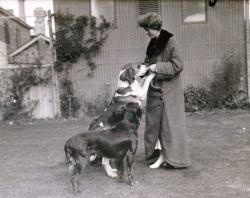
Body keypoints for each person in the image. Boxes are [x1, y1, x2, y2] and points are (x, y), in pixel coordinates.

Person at [138, 13, 191, 168]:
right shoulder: (152, 43)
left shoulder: (170, 41)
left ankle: (171, 158)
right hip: (155, 90)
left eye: (147, 29)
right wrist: (146, 69)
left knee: (169, 127)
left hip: (169, 92)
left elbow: (178, 65)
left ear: (155, 27)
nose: (146, 32)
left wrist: (157, 67)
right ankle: (158, 156)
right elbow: (148, 62)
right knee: (155, 126)